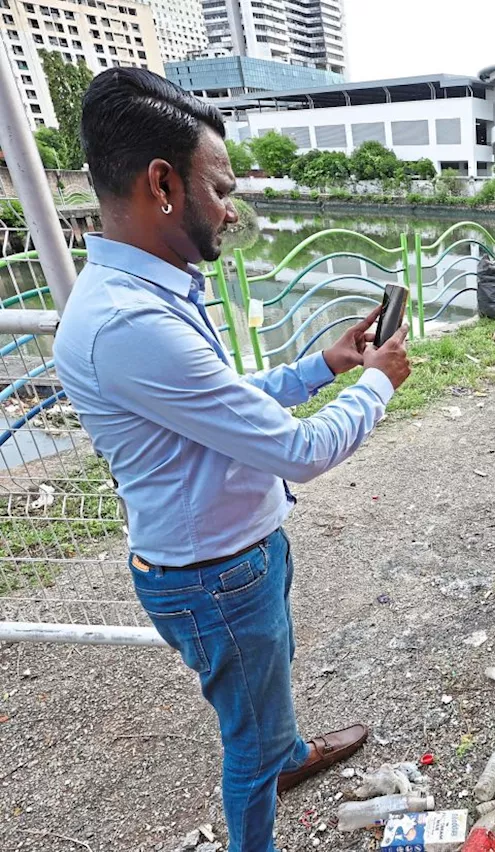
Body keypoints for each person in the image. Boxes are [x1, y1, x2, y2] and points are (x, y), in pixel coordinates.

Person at [52, 69, 411, 852]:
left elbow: (221, 403)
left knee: (262, 696)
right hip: (216, 576)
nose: (231, 208)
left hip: (236, 554)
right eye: (220, 187)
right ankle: (266, 784)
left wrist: (322, 368)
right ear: (162, 184)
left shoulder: (151, 291)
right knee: (244, 740)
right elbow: (300, 450)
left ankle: (286, 752)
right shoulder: (129, 322)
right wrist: (380, 382)